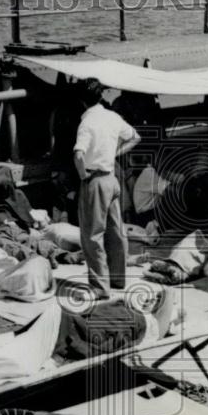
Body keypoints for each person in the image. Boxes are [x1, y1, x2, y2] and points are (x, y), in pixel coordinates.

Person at [73, 78, 141, 298]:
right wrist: (115, 153)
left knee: (92, 235)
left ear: (82, 101)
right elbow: (134, 137)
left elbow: (78, 154)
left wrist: (83, 175)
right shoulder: (112, 117)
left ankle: (100, 287)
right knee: (116, 229)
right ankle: (118, 279)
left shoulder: (86, 123)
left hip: (95, 180)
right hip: (112, 178)